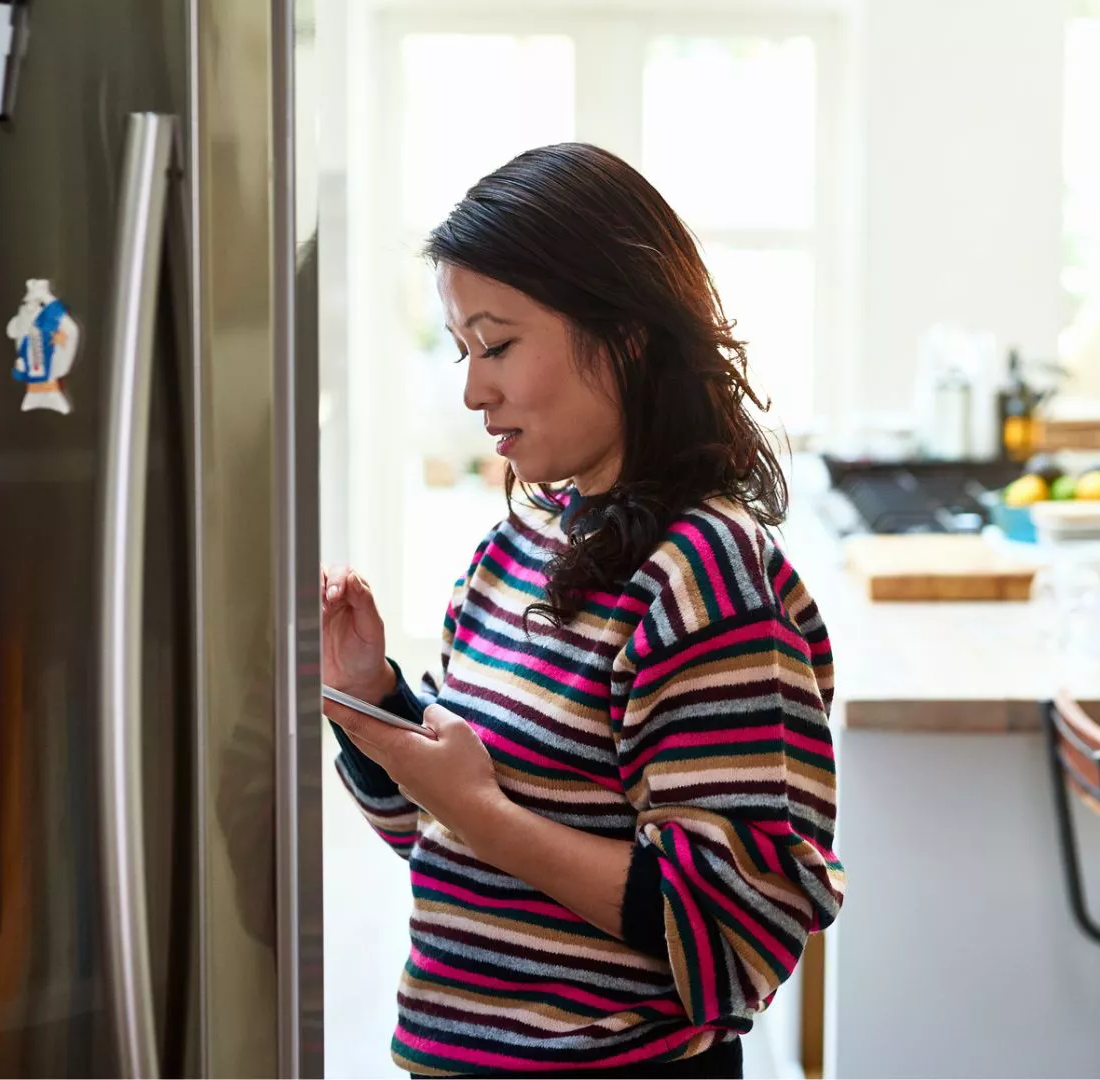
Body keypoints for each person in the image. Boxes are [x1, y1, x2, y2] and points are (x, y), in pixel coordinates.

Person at [320, 143, 844, 1079]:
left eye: (499, 344)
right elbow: (444, 843)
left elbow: (736, 936)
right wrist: (370, 698)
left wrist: (479, 810)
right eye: (463, 351)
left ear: (625, 332)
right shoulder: (513, 552)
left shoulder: (706, 577)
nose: (474, 389)